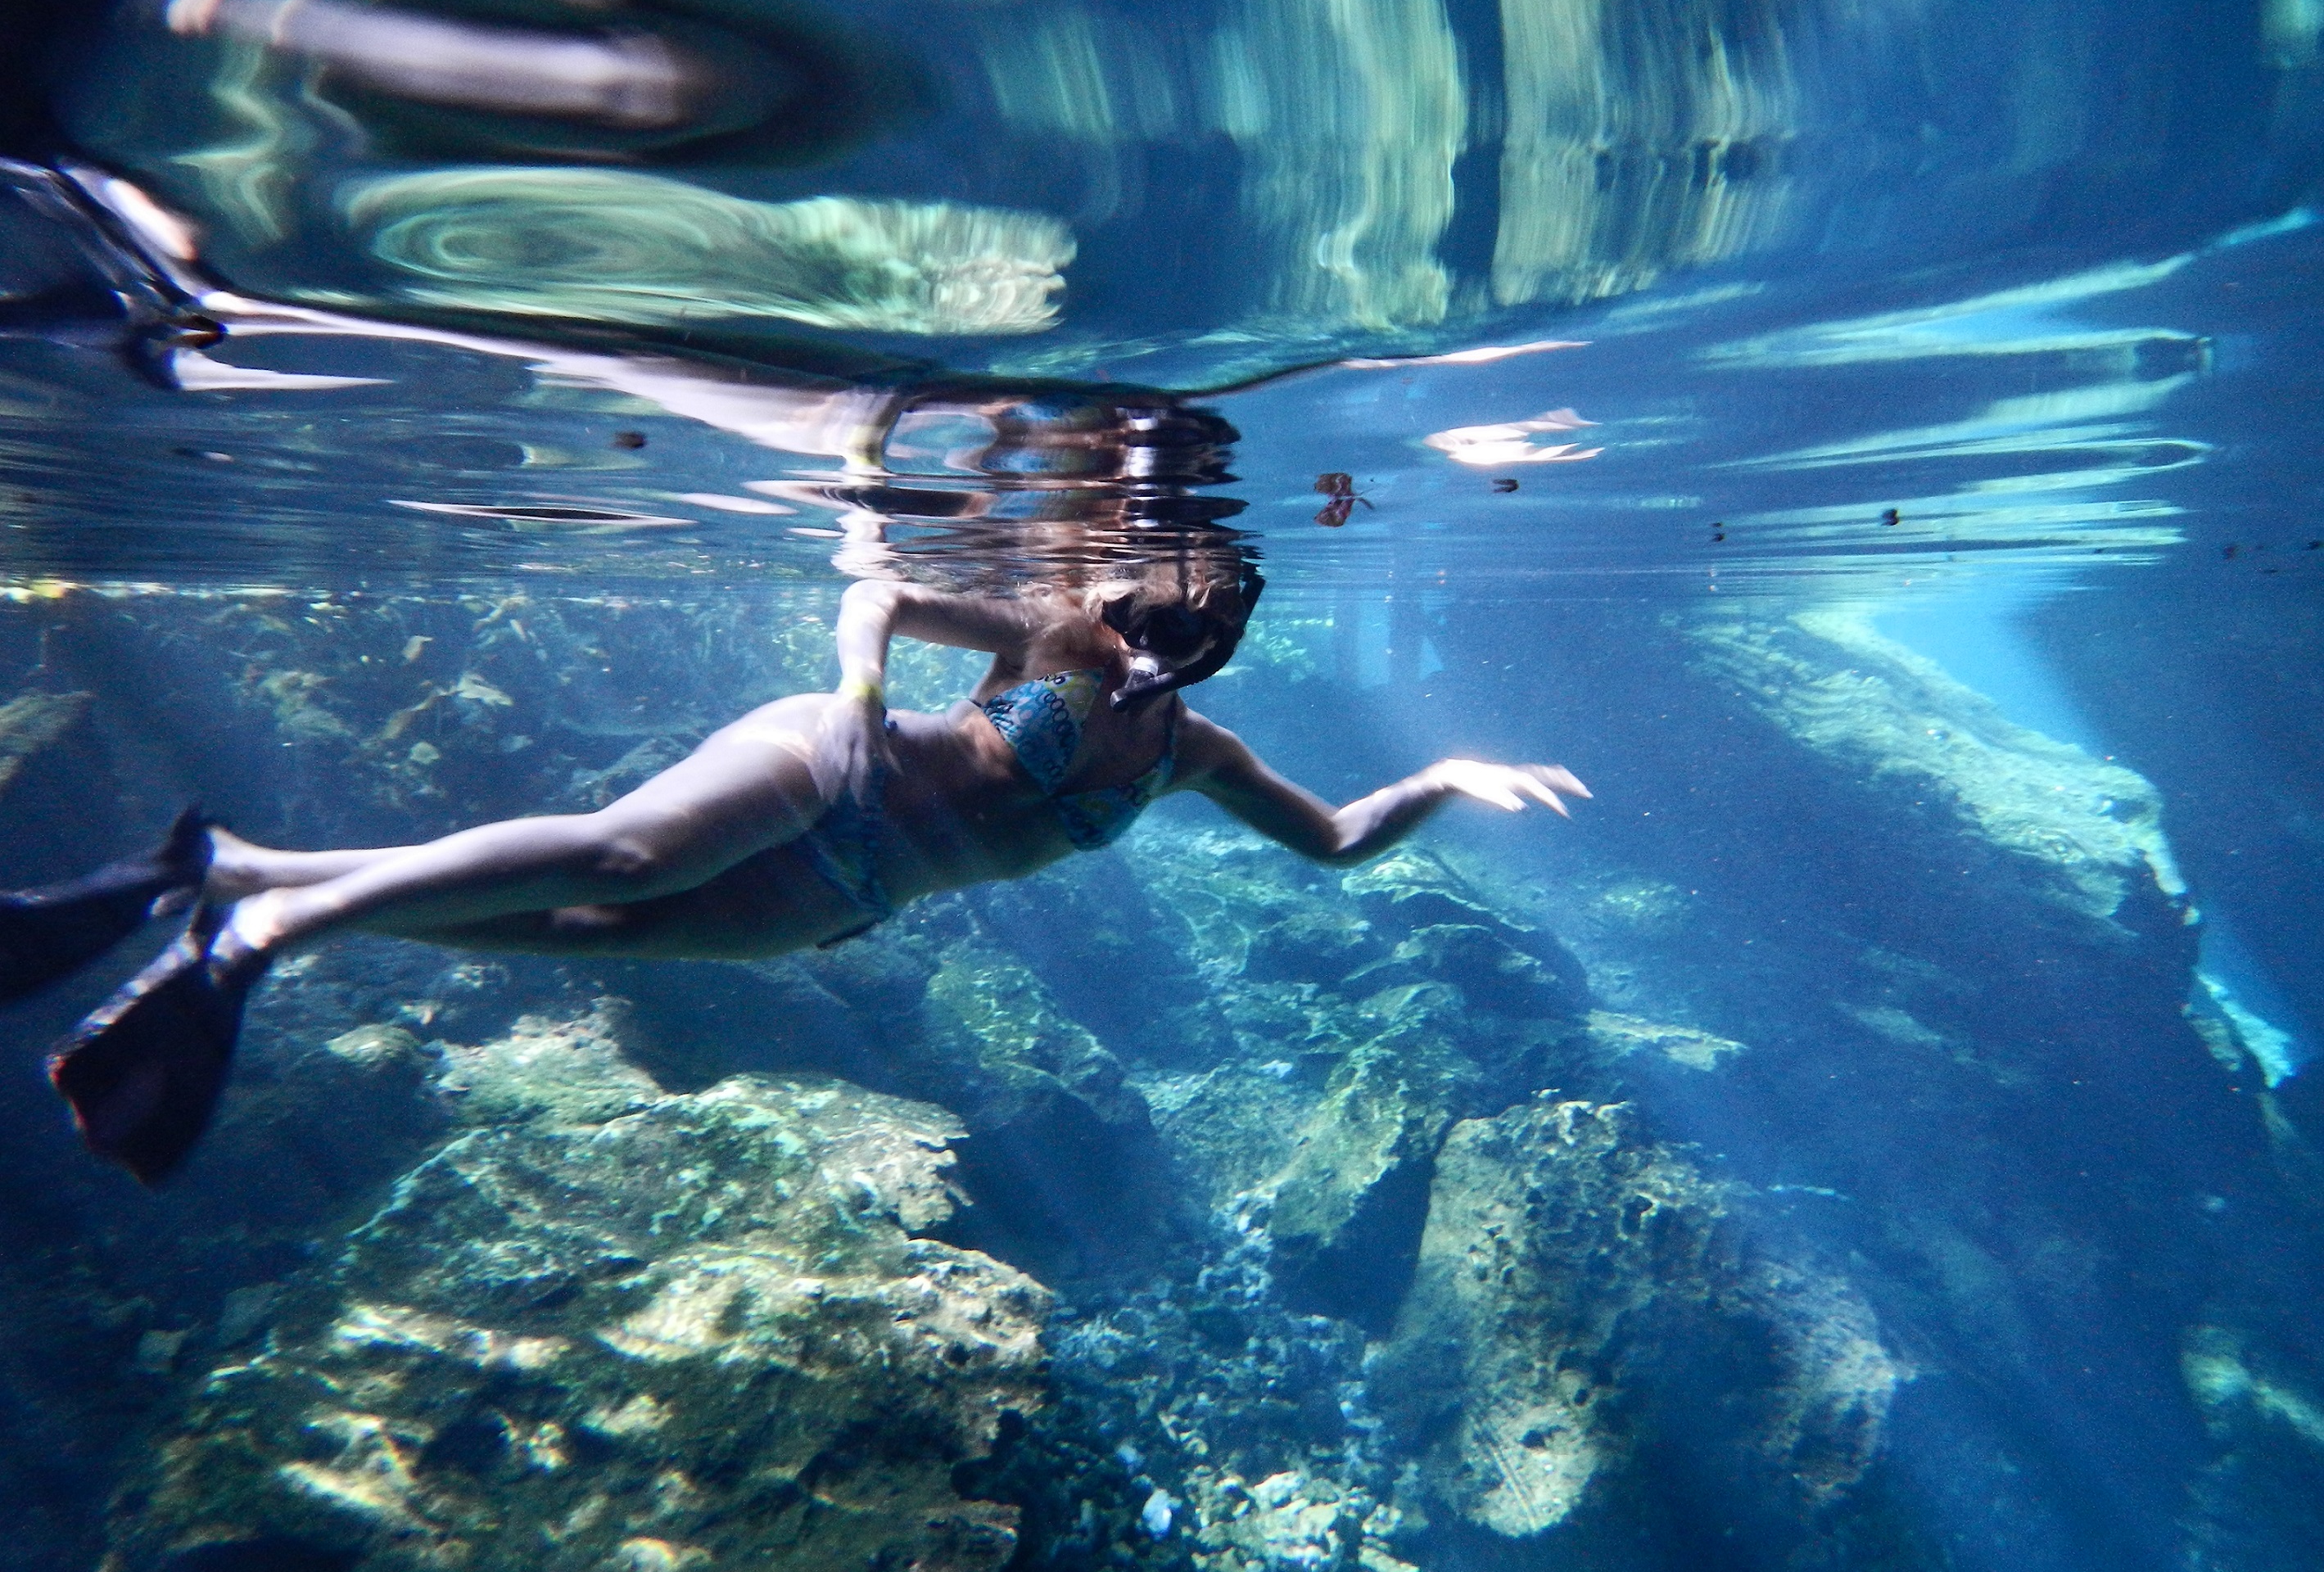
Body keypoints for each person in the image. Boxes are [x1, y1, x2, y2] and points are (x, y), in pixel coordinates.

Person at [0, 562, 1587, 1183]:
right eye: (1151, 606)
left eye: (1202, 628)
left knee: (572, 924)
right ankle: (266, 932)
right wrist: (846, 684)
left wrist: (1439, 778)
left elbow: (1332, 848)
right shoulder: (1051, 630)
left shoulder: (1201, 761)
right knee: (621, 848)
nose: (1162, 639)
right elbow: (883, 581)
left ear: (1231, 638)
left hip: (838, 899)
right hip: (832, 762)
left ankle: (227, 867)